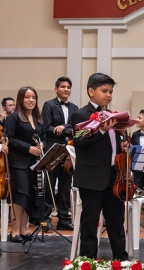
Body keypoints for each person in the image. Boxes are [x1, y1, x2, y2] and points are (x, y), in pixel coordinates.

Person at [71, 73, 128, 260]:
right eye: (104, 91)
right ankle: (87, 261)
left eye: (111, 91)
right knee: (90, 222)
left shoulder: (113, 116)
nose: (109, 95)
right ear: (91, 91)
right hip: (92, 177)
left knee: (116, 222)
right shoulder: (80, 114)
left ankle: (122, 259)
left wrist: (122, 145)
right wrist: (101, 131)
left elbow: (111, 144)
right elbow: (80, 143)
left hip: (114, 176)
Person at [5, 87, 46, 243]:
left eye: (34, 97)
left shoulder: (38, 119)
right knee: (20, 196)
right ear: (20, 99)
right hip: (18, 163)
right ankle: (14, 231)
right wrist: (29, 148)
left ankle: (24, 229)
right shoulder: (13, 118)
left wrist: (42, 145)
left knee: (30, 195)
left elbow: (43, 137)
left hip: (33, 163)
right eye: (27, 97)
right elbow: (11, 139)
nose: (31, 100)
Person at [41, 76, 78, 232]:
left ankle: (64, 218)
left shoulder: (75, 108)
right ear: (56, 89)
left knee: (65, 186)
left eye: (68, 87)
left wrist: (64, 127)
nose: (66, 89)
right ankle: (45, 219)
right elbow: (46, 128)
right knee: (49, 185)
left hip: (69, 151)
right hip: (53, 149)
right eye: (63, 86)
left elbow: (76, 129)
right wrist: (61, 129)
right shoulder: (48, 105)